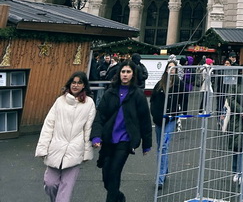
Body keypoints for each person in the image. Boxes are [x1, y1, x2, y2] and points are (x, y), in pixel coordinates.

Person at [91, 61, 152, 202]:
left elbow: (145, 120)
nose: (125, 75)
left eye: (128, 72)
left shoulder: (138, 95)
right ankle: (119, 197)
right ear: (119, 73)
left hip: (124, 141)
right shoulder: (110, 93)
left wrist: (146, 144)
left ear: (133, 74)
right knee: (106, 176)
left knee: (114, 172)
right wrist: (96, 136)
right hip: (108, 139)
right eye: (123, 72)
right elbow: (100, 116)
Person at [36, 71, 96, 202]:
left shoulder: (89, 103)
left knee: (65, 190)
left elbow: (88, 128)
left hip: (75, 149)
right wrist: (43, 147)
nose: (75, 85)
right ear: (69, 84)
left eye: (79, 83)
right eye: (73, 82)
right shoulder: (60, 101)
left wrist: (87, 152)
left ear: (84, 85)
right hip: (56, 147)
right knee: (50, 183)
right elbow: (48, 125)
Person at [150, 61, 182, 189]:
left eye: (174, 68)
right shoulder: (159, 84)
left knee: (164, 147)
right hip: (159, 120)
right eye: (169, 67)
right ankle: (165, 169)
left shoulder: (179, 84)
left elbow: (183, 99)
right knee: (160, 147)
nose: (171, 69)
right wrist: (155, 115)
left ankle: (160, 177)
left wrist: (179, 114)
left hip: (171, 119)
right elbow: (153, 101)